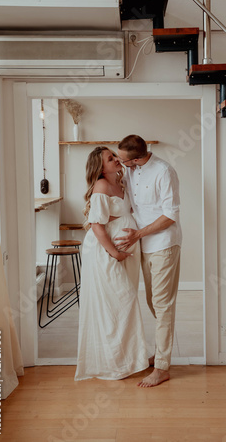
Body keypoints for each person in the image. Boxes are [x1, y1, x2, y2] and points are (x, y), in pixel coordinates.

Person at [75, 146, 149, 381]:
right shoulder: (102, 187)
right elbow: (96, 225)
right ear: (101, 167)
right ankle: (113, 363)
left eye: (115, 155)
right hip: (104, 253)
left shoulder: (121, 180)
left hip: (124, 250)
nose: (116, 159)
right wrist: (114, 254)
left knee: (120, 305)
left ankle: (127, 360)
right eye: (111, 158)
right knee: (120, 301)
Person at [116, 135, 182, 388]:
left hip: (164, 244)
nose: (121, 163)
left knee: (163, 304)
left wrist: (138, 234)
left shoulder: (164, 171)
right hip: (143, 245)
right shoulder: (131, 169)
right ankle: (161, 353)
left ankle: (163, 366)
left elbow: (170, 215)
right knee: (152, 301)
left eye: (123, 160)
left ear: (136, 158)